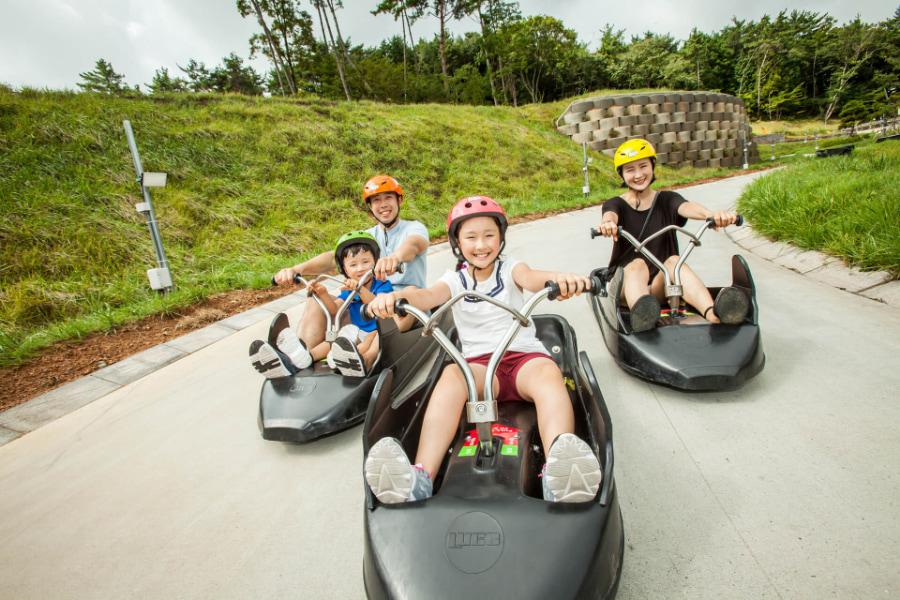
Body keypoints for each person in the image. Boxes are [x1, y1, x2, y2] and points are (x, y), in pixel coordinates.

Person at [362, 196, 603, 504]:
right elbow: (425, 295)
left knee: (548, 374)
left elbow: (532, 278)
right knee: (450, 377)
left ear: (501, 237)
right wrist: (398, 298)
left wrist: (561, 279)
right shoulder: (455, 279)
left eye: (489, 235)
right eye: (471, 237)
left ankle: (560, 471)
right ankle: (420, 477)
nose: (481, 245)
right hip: (478, 369)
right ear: (457, 243)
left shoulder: (512, 269)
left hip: (523, 360)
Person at [594, 139, 749, 332]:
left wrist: (711, 215)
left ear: (652, 166)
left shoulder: (667, 199)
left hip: (660, 287)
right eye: (630, 170)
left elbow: (687, 207)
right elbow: (610, 214)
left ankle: (714, 314)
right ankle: (642, 319)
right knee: (637, 265)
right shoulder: (615, 203)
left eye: (643, 166)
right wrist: (608, 224)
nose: (638, 175)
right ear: (622, 174)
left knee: (674, 262)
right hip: (626, 287)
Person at [271, 175, 429, 353]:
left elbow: (414, 244)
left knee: (406, 294)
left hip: (401, 302)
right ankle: (300, 356)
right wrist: (297, 269)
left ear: (399, 200)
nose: (383, 204)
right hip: (365, 299)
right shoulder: (366, 237)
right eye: (376, 200)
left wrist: (396, 257)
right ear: (370, 207)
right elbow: (334, 258)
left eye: (388, 198)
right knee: (316, 300)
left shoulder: (414, 228)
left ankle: (365, 355)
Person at [249, 231, 399, 378]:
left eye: (365, 262)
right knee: (331, 341)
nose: (360, 268)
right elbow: (335, 309)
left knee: (369, 341)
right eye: (353, 265)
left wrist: (359, 290)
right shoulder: (348, 289)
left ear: (375, 262)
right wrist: (323, 294)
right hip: (353, 332)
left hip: (376, 331)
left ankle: (354, 361)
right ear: (345, 270)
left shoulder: (382, 285)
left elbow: (377, 304)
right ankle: (302, 358)